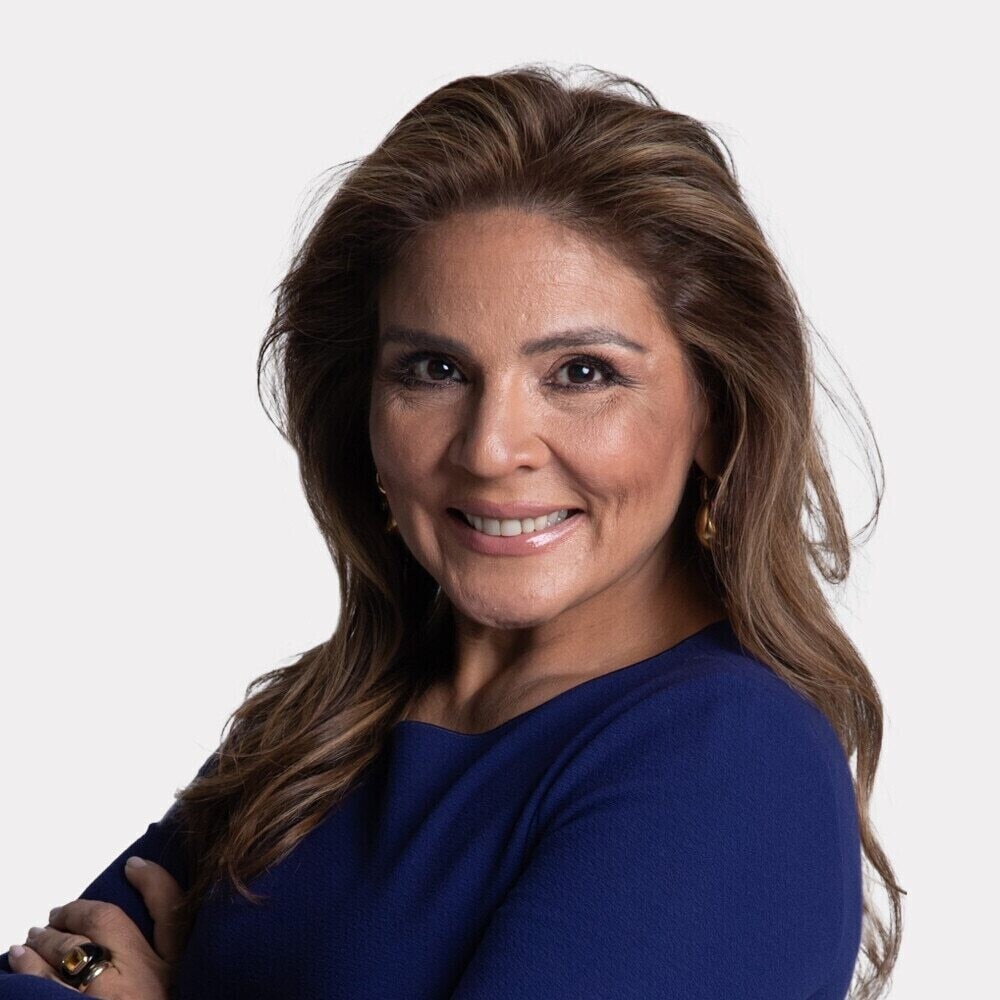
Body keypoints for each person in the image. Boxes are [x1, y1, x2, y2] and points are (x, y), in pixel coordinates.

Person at [1, 64, 904, 999]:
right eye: (434, 369)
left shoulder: (731, 760)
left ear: (716, 413)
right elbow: (42, 966)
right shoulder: (321, 719)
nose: (490, 449)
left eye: (582, 373)